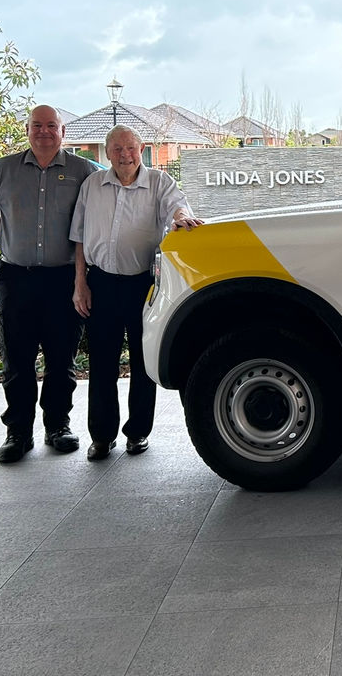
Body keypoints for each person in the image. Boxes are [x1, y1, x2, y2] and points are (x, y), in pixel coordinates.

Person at [71, 125, 202, 460]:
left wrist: (184, 218)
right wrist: (80, 283)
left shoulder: (159, 182)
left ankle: (138, 433)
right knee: (102, 364)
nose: (124, 155)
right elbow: (80, 239)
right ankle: (101, 436)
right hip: (100, 284)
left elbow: (178, 206)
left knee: (144, 363)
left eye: (130, 148)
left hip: (143, 285)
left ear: (140, 149)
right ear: (108, 152)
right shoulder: (92, 185)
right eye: (116, 149)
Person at [0, 105, 96, 463]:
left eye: (51, 126)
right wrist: (8, 239)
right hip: (16, 277)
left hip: (63, 278)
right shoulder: (3, 168)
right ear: (27, 130)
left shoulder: (84, 171)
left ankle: (57, 425)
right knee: (17, 358)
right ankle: (18, 432)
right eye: (37, 125)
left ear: (63, 131)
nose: (44, 131)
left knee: (62, 358)